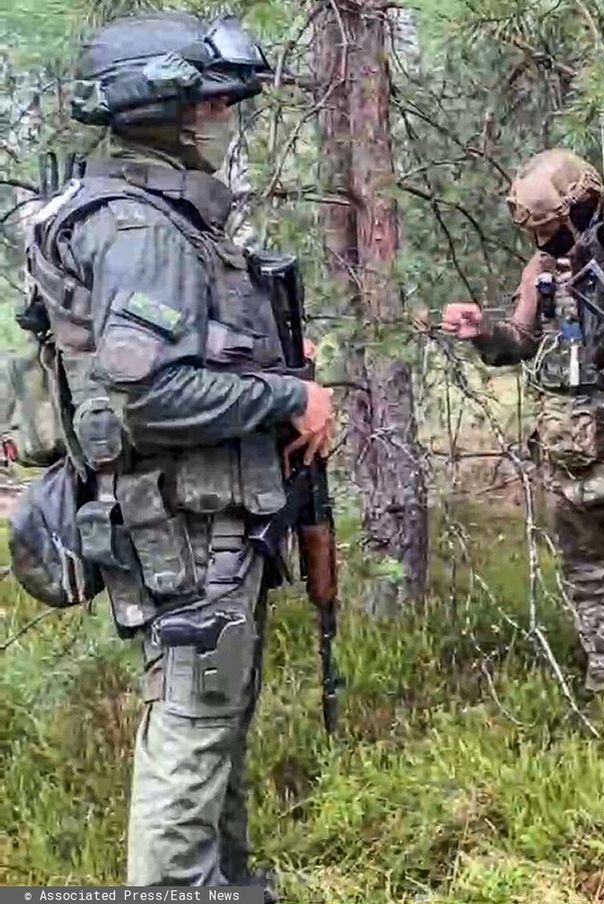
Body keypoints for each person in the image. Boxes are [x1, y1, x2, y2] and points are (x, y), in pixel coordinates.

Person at [26, 12, 333, 888]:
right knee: (193, 731)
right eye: (212, 102)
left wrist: (267, 362)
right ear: (167, 112)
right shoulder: (142, 230)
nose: (225, 116)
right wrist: (292, 396)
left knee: (215, 720)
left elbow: (175, 362)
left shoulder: (152, 215)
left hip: (201, 519)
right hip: (185, 527)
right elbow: (148, 393)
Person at [440, 149, 604, 696]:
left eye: (558, 230)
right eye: (541, 235)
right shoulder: (541, 270)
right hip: (567, 445)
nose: (549, 245)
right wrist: (483, 332)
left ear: (586, 205)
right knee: (587, 567)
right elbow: (522, 338)